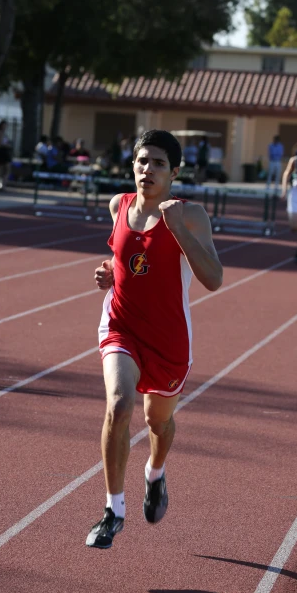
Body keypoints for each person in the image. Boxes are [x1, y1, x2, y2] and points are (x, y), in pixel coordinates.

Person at [86, 129, 223, 549]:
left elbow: (214, 279)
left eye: (159, 163)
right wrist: (109, 272)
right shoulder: (119, 205)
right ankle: (113, 511)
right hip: (122, 326)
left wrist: (177, 228)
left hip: (168, 339)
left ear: (175, 172)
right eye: (142, 161)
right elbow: (126, 259)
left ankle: (155, 474)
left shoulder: (192, 214)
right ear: (133, 166)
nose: (148, 169)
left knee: (158, 422)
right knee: (119, 403)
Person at [0, 120, 12, 189]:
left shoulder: (5, 134)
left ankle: (3, 185)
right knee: (0, 169)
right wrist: (7, 145)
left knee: (6, 169)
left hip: (5, 152)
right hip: (1, 152)